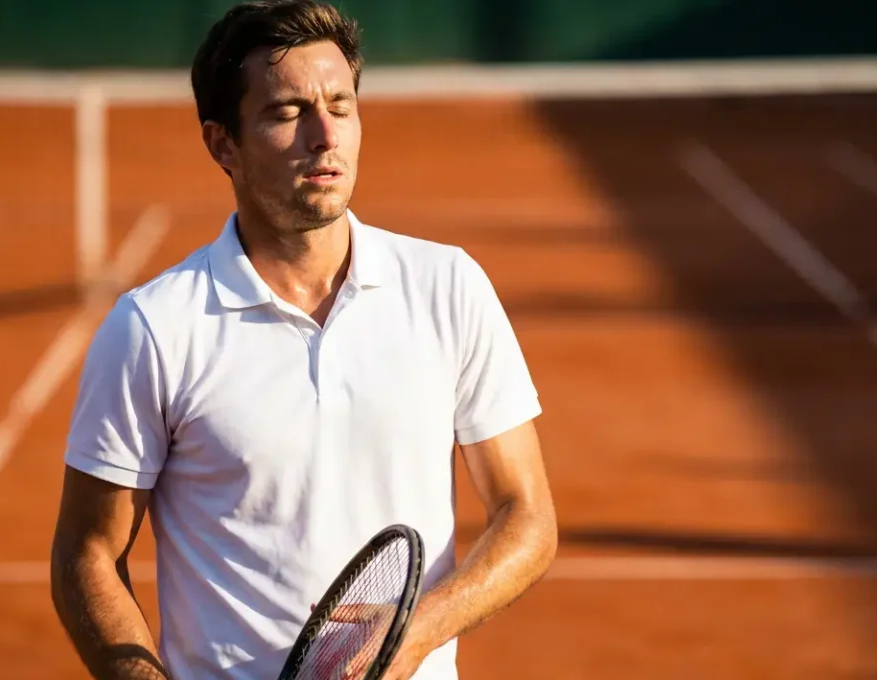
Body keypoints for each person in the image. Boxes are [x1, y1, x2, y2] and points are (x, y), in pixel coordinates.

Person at [47, 1, 558, 678]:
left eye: (341, 105)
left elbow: (527, 516)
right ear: (222, 143)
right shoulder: (154, 328)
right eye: (287, 112)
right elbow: (87, 553)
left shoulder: (448, 287)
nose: (325, 135)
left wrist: (415, 634)